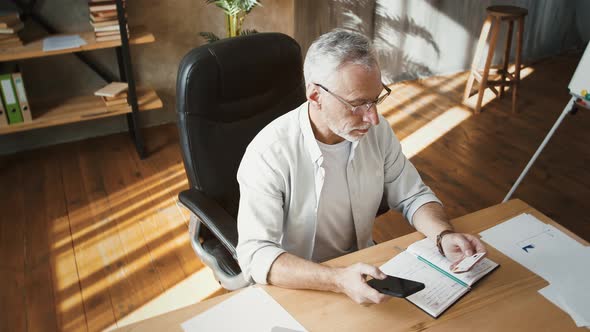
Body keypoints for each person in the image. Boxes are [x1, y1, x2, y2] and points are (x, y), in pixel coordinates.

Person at [236, 29, 486, 305]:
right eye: (357, 104)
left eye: (376, 99)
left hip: (360, 270)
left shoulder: (376, 132)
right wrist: (337, 279)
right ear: (316, 96)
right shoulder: (268, 153)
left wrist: (442, 235)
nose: (373, 118)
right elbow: (256, 254)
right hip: (298, 282)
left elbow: (413, 195)